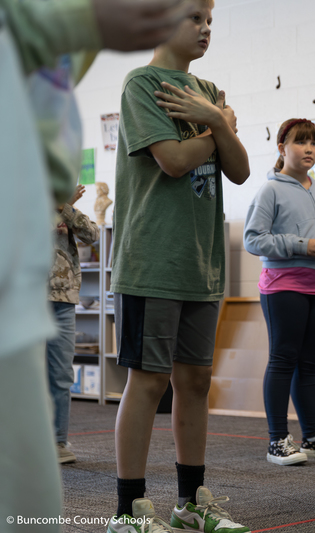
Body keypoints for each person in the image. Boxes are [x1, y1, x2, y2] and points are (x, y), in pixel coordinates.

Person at [0, 0, 190, 532]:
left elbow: (87, 231)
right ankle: (125, 503)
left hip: (43, 293)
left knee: (32, 494)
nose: (198, 25)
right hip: (20, 278)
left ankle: (59, 441)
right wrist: (85, 23)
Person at [109, 0, 251, 530]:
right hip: (152, 261)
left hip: (201, 264)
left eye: (210, 20)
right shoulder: (141, 85)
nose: (205, 28)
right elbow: (171, 161)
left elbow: (238, 170)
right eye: (194, 17)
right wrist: (219, 129)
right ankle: (129, 510)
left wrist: (215, 118)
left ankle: (191, 502)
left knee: (194, 382)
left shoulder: (209, 94)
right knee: (147, 383)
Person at [243, 118, 315, 466]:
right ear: (282, 148)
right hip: (283, 287)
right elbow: (253, 239)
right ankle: (278, 440)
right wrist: (299, 245)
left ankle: (314, 436)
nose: (309, 149)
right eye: (300, 142)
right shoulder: (270, 190)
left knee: (308, 365)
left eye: (314, 143)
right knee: (283, 360)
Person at [47, 184, 101, 464]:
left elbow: (93, 234)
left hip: (63, 300)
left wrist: (64, 208)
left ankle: (57, 441)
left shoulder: (64, 208)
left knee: (60, 374)